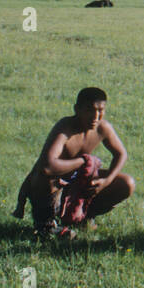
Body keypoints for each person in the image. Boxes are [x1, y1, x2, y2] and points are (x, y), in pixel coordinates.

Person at [14, 86, 135, 238]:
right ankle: (46, 225)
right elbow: (47, 167)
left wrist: (106, 180)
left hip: (78, 181)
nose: (96, 116)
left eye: (101, 110)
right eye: (89, 110)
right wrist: (82, 161)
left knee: (126, 183)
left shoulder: (102, 128)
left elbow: (121, 154)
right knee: (44, 177)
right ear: (77, 109)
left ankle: (84, 217)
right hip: (52, 184)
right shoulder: (65, 127)